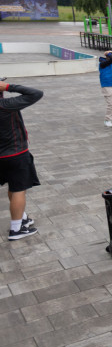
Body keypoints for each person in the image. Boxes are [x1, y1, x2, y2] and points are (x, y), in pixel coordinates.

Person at [0, 80, 43, 241]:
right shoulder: (6, 104)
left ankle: (22, 217)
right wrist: (10, 87)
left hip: (3, 156)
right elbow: (36, 93)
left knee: (13, 186)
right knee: (19, 189)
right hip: (15, 154)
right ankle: (16, 229)